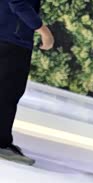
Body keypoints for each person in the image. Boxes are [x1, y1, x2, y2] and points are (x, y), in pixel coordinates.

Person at [0, 0, 54, 166]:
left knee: (8, 92)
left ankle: (3, 141)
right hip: (12, 38)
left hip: (11, 37)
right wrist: (43, 31)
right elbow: (17, 2)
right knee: (7, 93)